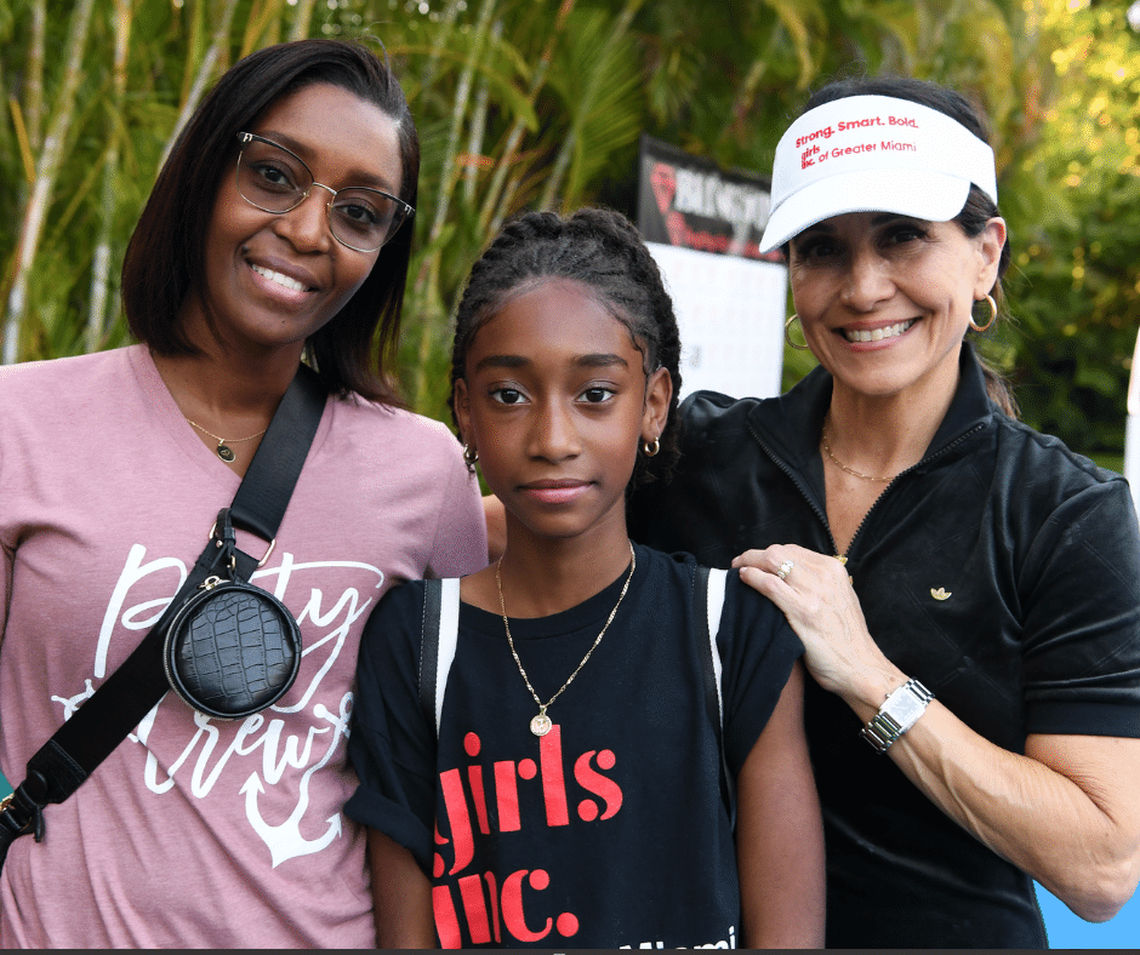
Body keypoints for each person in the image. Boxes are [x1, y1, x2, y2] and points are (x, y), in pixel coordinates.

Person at [625, 75, 1140, 947]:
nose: (864, 287)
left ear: (986, 254)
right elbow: (492, 529)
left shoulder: (1065, 515)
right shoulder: (695, 461)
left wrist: (869, 675)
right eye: (823, 249)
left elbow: (1098, 867)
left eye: (904, 238)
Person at [0, 39, 486, 948]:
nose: (308, 231)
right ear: (203, 169)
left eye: (360, 212)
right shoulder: (19, 424)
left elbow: (452, 768)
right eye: (273, 175)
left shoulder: (424, 475)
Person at [346, 208, 824, 949]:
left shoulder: (732, 632)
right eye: (509, 395)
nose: (553, 438)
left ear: (654, 403)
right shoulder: (415, 643)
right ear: (465, 410)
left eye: (595, 394)